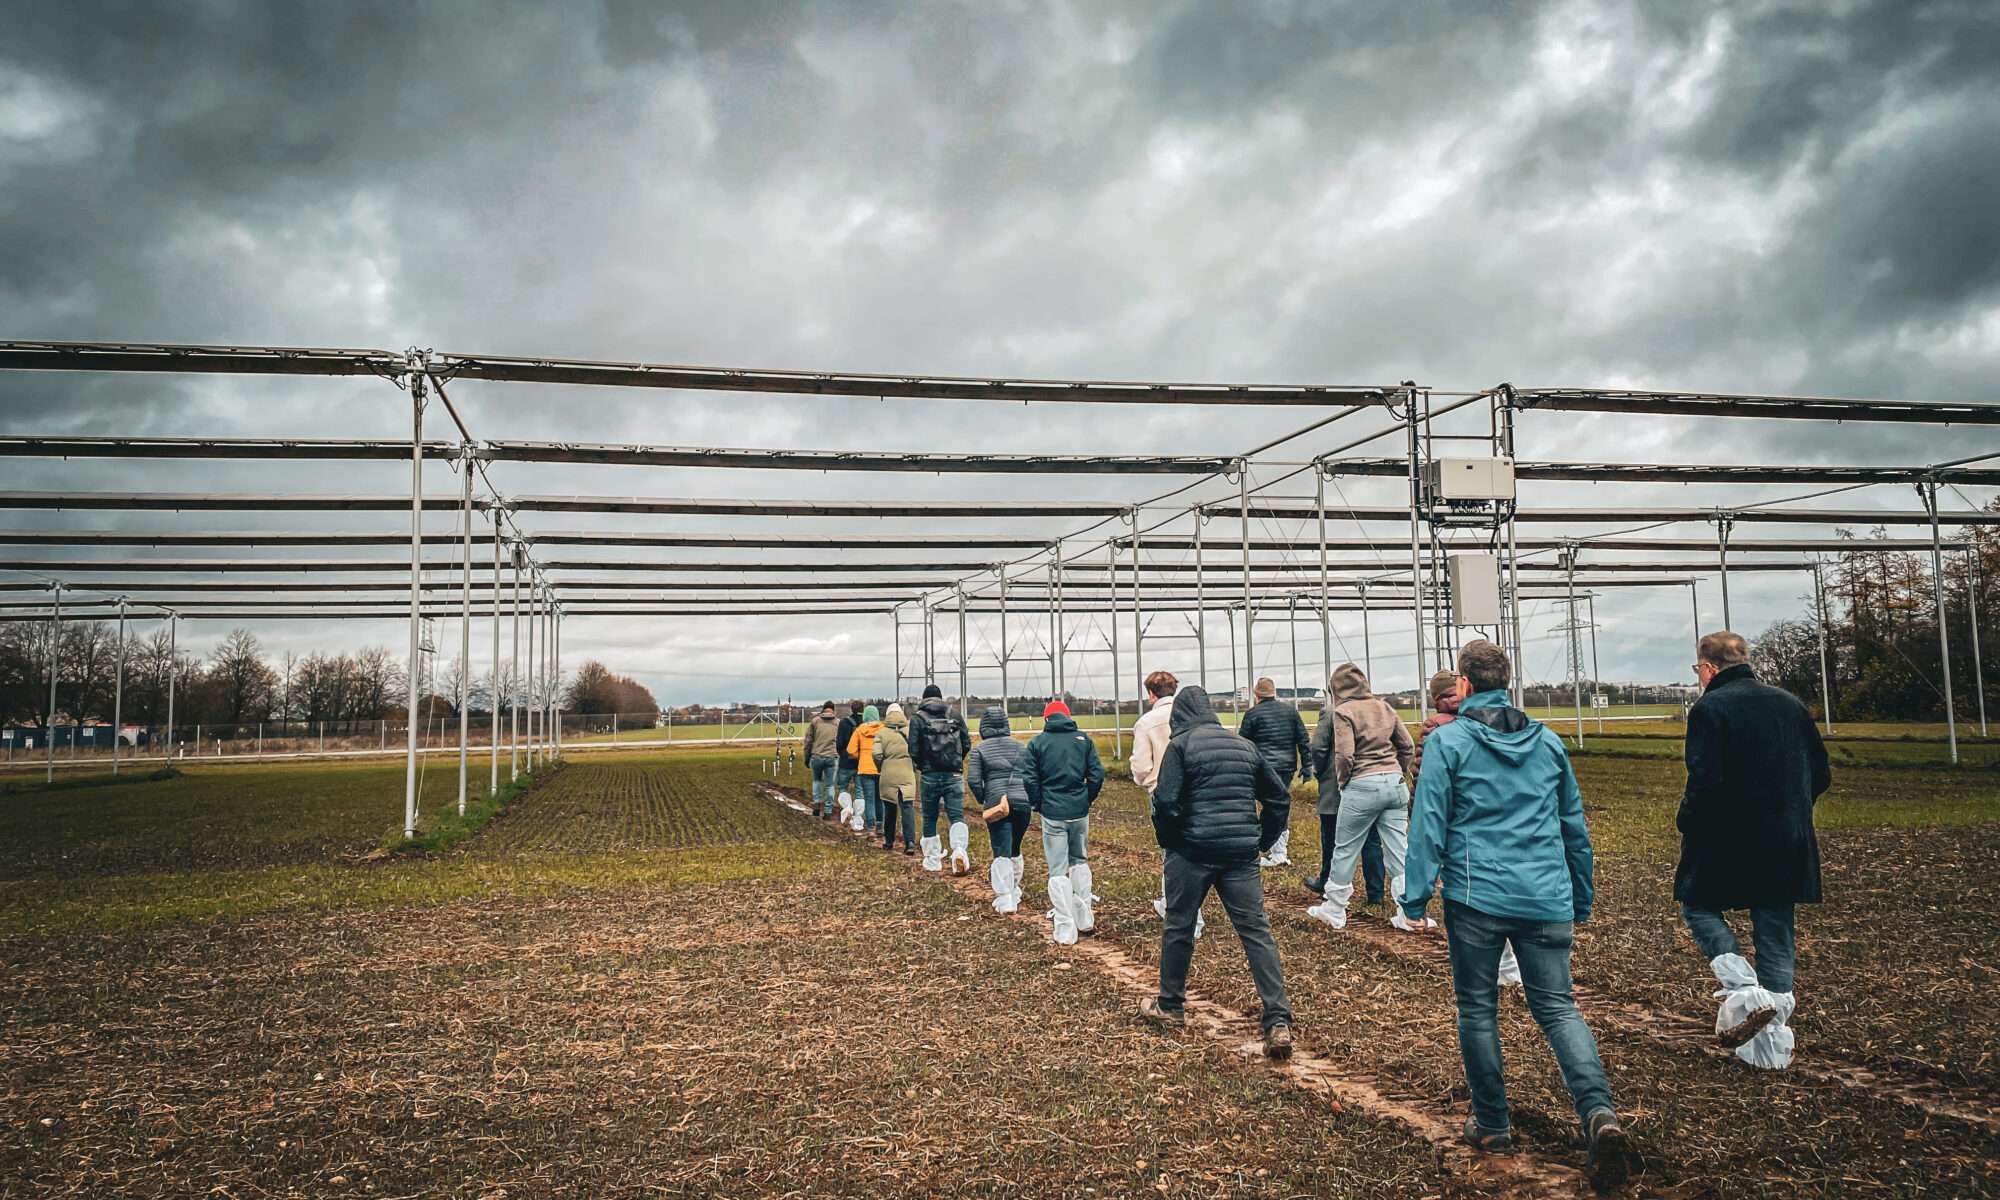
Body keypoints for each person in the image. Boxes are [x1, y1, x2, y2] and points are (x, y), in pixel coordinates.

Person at [1400, 640, 1633, 1187]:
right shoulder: (1548, 743)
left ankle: (1492, 1123)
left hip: (1476, 896)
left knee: (1477, 1009)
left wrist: (1413, 896)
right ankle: (1599, 1114)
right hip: (1546, 894)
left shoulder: (1448, 742)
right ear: (1509, 679)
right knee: (1558, 1009)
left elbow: (1429, 821)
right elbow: (1572, 826)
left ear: (1462, 684)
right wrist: (1580, 893)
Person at [1677, 630, 1831, 1069]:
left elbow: (1705, 781)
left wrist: (1687, 821)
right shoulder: (1790, 704)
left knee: (1698, 904)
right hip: (1787, 837)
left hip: (1729, 837)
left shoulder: (1710, 707)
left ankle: (1744, 991)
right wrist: (1792, 810)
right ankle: (1772, 1051)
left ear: (1707, 669)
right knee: (1775, 926)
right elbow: (1820, 773)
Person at [1141, 685, 1295, 1060]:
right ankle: (1277, 1021)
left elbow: (1164, 801)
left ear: (1179, 715)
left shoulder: (1181, 747)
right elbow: (1278, 798)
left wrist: (1172, 840)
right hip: (1240, 855)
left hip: (1191, 853)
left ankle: (1170, 1006)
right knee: (1256, 932)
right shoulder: (1243, 746)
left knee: (1179, 925)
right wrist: (1261, 840)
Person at [1306, 663, 1422, 931]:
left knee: (1345, 847)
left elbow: (1345, 754)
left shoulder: (1343, 711)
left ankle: (1334, 908)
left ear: (1337, 689)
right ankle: (1408, 911)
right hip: (1394, 784)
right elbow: (1407, 745)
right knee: (1398, 848)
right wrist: (1397, 771)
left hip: (1361, 784)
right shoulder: (1385, 707)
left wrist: (1344, 781)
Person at [1020, 699, 1105, 945]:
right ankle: (1085, 917)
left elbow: (1030, 779)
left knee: (1057, 869)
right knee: (1079, 861)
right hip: (1079, 811)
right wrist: (1086, 799)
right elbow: (1097, 774)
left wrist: (1039, 803)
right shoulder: (1084, 740)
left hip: (1053, 812)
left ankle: (1066, 928)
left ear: (1046, 719)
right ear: (1068, 717)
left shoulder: (1037, 743)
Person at [1131, 671, 1202, 937]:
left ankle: (1181, 913)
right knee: (1195, 850)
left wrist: (1148, 781)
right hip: (1195, 790)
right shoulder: (1192, 716)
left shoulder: (1146, 723)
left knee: (1171, 855)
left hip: (1162, 792)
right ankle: (1188, 911)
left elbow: (1140, 766)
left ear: (1151, 693)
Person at [1239, 677, 1311, 868]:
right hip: (1286, 768)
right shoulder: (1290, 712)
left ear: (1257, 696)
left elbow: (1242, 744)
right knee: (1280, 807)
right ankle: (1279, 851)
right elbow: (1303, 740)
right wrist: (1307, 765)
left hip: (1262, 769)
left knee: (1261, 806)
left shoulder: (1252, 714)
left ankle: (1257, 847)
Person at [965, 706, 1030, 913]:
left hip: (997, 804)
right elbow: (1031, 775)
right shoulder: (1022, 747)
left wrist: (985, 797)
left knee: (1001, 849)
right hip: (1022, 802)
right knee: (1015, 848)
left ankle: (1005, 899)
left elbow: (974, 780)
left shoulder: (980, 749)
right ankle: (1014, 888)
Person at [908, 683, 973, 874]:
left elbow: (913, 749)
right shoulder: (954, 714)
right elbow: (966, 742)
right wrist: (956, 761)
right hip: (954, 774)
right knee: (956, 816)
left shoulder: (918, 718)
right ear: (941, 697)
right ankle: (960, 851)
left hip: (929, 775)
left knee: (929, 817)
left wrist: (923, 766)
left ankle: (932, 860)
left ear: (924, 698)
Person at [873, 704, 918, 856]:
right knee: (907, 807)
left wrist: (881, 767)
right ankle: (910, 842)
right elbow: (917, 751)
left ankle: (889, 842)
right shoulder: (911, 731)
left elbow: (877, 755)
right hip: (907, 772)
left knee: (890, 808)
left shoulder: (881, 733)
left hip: (888, 773)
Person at [845, 705, 885, 834]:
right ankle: (880, 825)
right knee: (880, 798)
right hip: (880, 769)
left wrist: (861, 756)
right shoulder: (883, 730)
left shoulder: (859, 730)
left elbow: (850, 749)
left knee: (869, 799)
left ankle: (871, 827)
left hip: (864, 769)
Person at [803, 701, 842, 820]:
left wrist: (807, 757)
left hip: (817, 756)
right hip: (832, 757)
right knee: (830, 785)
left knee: (817, 781)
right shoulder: (838, 723)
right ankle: (828, 811)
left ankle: (816, 805)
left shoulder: (815, 721)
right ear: (833, 710)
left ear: (824, 709)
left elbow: (808, 741)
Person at [835, 699, 866, 828]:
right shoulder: (864, 724)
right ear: (862, 709)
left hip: (845, 763)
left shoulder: (843, 723)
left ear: (851, 709)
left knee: (842, 788)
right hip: (860, 763)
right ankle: (858, 820)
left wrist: (843, 754)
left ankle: (847, 807)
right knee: (860, 792)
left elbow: (839, 743)